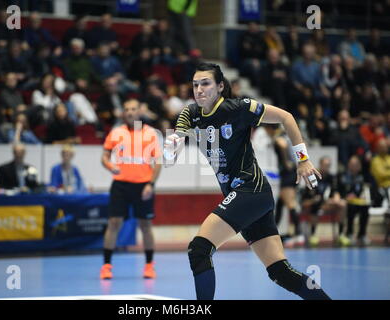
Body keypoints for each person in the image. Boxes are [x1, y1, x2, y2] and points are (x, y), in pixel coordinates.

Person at [165, 62, 330, 300]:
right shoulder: (190, 113)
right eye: (195, 85)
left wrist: (302, 160)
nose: (199, 89)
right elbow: (177, 142)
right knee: (279, 272)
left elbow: (286, 117)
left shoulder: (239, 108)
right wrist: (171, 149)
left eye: (205, 83)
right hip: (246, 198)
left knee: (199, 249)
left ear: (220, 86)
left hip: (250, 189)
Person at [100, 98, 162, 280]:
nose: (129, 112)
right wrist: (111, 166)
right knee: (113, 223)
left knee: (145, 225)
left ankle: (149, 265)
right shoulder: (116, 133)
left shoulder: (151, 134)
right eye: (126, 109)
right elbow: (104, 156)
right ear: (123, 113)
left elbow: (157, 162)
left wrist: (151, 184)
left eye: (133, 109)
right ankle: (106, 266)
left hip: (143, 186)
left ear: (139, 112)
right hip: (120, 185)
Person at [264, 124, 304, 248]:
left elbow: (282, 144)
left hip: (288, 174)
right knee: (280, 204)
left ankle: (299, 233)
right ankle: (272, 234)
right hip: (288, 174)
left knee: (290, 204)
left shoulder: (279, 137)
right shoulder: (283, 136)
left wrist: (286, 161)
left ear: (270, 129)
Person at [301, 156, 350, 247]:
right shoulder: (313, 177)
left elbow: (336, 191)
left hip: (329, 203)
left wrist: (336, 198)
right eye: (325, 165)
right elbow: (307, 198)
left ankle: (341, 234)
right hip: (316, 204)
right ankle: (313, 234)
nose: (326, 167)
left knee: (342, 204)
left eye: (328, 165)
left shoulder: (333, 178)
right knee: (315, 205)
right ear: (320, 165)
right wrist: (316, 200)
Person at [338, 155, 371, 246]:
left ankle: (362, 234)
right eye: (352, 164)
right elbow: (338, 189)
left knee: (365, 208)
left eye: (356, 164)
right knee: (351, 209)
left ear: (359, 166)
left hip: (357, 201)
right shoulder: (342, 176)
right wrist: (346, 196)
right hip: (345, 201)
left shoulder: (361, 176)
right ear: (348, 165)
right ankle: (350, 233)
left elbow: (362, 189)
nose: (354, 166)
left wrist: (358, 196)